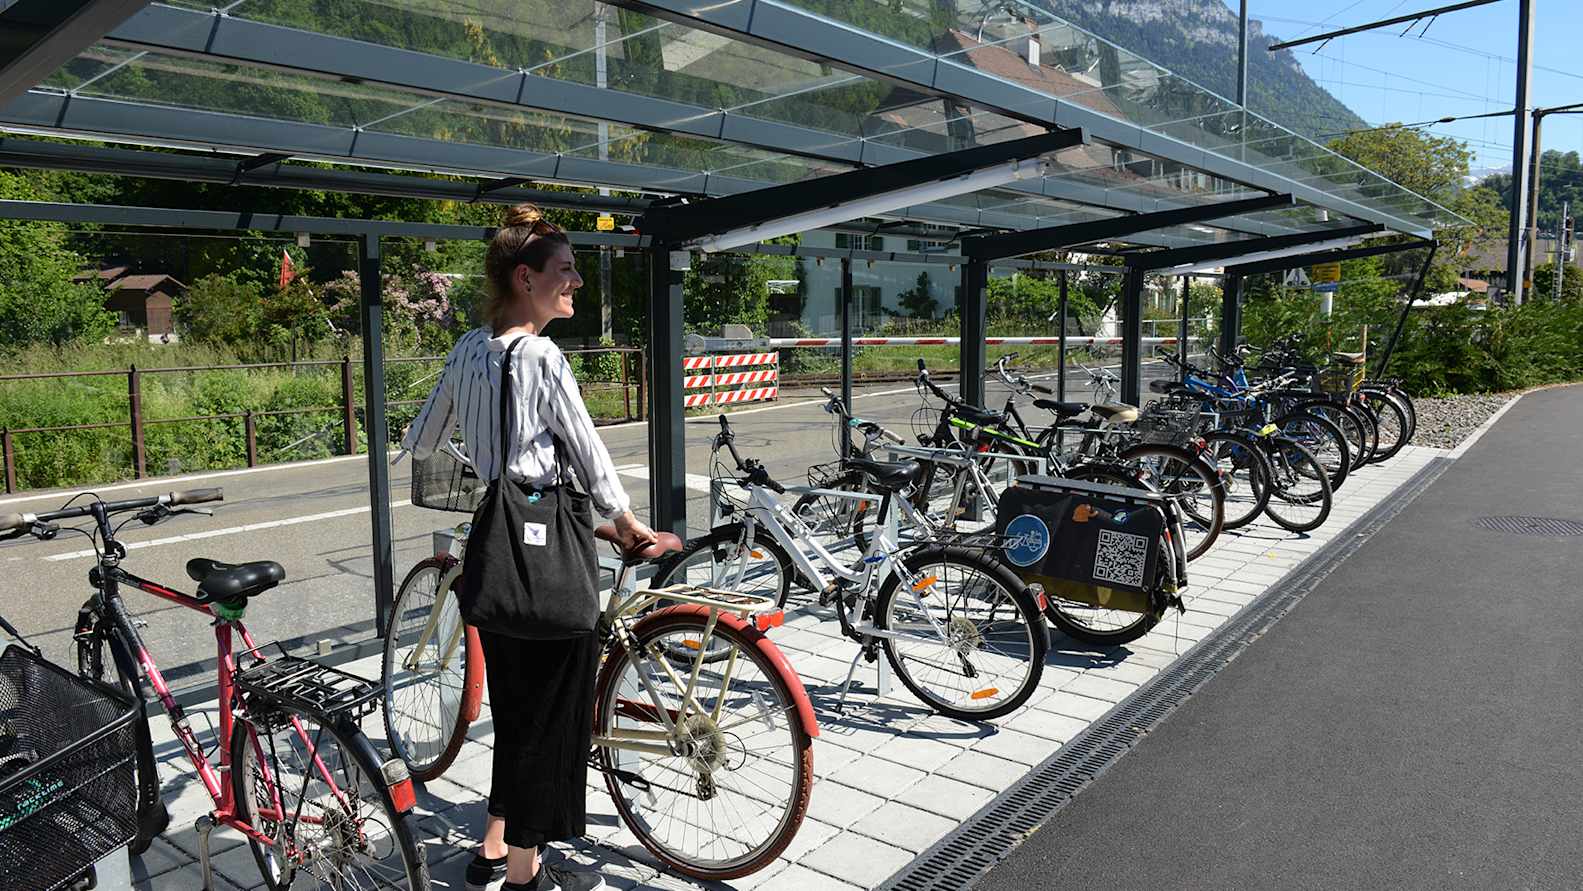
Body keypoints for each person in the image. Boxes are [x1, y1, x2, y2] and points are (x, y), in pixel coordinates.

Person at [403, 204, 657, 891]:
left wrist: (497, 469)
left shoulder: (466, 348)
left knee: (515, 708)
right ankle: (523, 872)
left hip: (496, 551)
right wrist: (625, 522)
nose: (576, 281)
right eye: (565, 270)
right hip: (547, 556)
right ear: (526, 277)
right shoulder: (541, 356)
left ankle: (492, 843)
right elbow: (587, 449)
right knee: (549, 716)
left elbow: (422, 440)